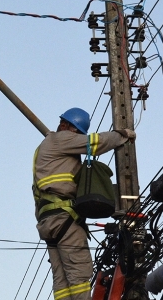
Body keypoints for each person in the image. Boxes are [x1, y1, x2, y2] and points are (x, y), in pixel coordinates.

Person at [32, 107, 135, 300]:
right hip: (64, 217)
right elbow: (96, 143)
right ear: (67, 126)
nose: (77, 138)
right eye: (77, 133)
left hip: (48, 221)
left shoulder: (45, 149)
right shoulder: (61, 139)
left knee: (62, 281)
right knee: (79, 273)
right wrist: (121, 135)